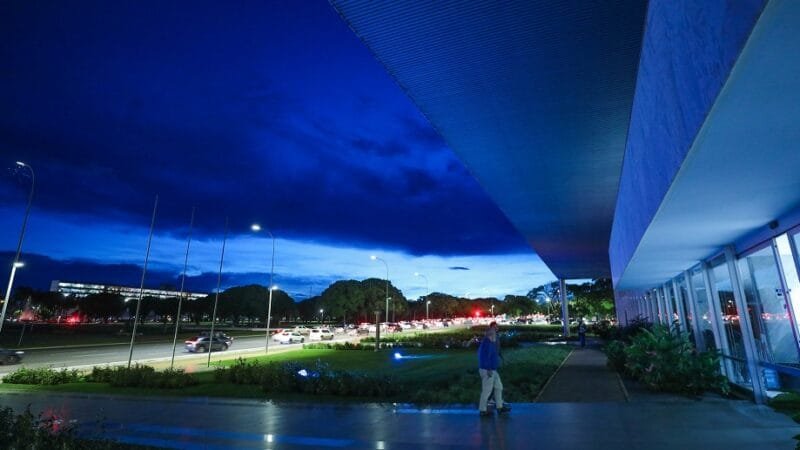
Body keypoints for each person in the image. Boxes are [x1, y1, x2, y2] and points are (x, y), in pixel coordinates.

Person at [477, 321, 510, 416]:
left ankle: (499, 407)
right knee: (487, 391)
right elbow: (483, 357)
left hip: (493, 370)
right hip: (488, 370)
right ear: (489, 335)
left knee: (499, 387)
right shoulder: (486, 344)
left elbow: (494, 355)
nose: (496, 336)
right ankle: (482, 410)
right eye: (494, 334)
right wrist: (488, 369)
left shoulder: (491, 343)